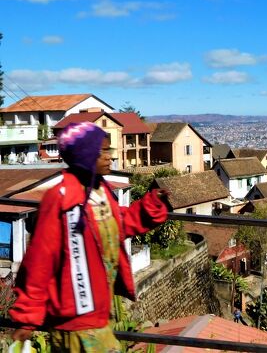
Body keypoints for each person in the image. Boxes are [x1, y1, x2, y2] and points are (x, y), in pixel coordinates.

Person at [10, 122, 171, 352]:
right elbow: (39, 261)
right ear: (84, 156)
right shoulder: (61, 200)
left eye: (109, 150)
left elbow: (119, 224)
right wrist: (27, 317)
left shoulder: (100, 192)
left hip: (99, 314)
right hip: (74, 324)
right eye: (102, 151)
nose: (109, 157)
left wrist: (151, 206)